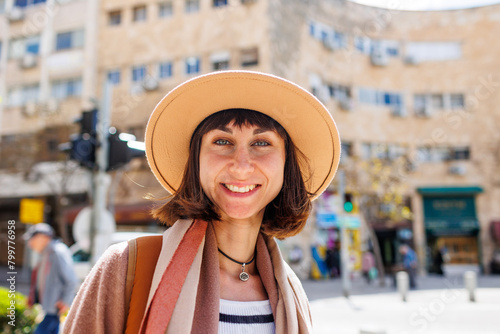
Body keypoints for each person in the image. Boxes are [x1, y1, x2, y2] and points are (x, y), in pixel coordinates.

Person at [64, 71, 341, 333]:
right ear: (195, 162)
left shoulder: (291, 294)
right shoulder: (126, 268)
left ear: (285, 165)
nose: (242, 166)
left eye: (261, 143)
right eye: (222, 141)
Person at [24, 223, 78, 334]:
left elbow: (71, 280)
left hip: (54, 308)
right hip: (49, 308)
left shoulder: (57, 252)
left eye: (32, 239)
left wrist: (65, 301)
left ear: (43, 237)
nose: (30, 244)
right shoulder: (46, 253)